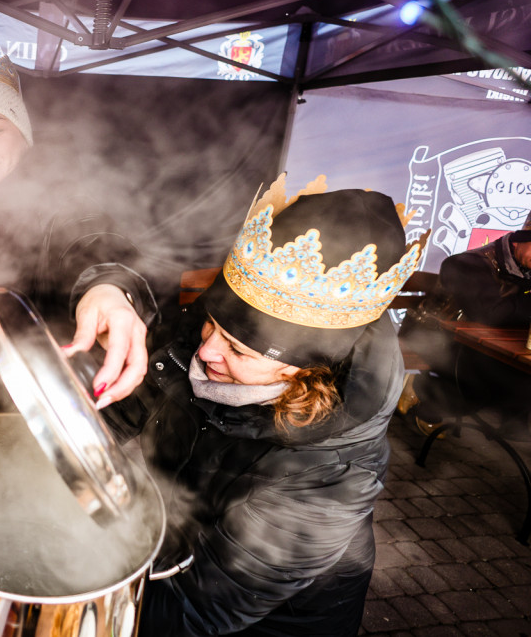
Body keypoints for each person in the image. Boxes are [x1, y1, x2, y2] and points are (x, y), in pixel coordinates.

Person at [104, 175, 425, 636]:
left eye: (239, 351)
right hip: (178, 553)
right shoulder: (214, 335)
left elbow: (201, 611)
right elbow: (119, 410)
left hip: (265, 624)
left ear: (305, 371)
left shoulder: (330, 476)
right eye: (210, 326)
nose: (207, 351)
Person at [0, 46, 157, 406]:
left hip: (26, 412)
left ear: (23, 136)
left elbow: (88, 239)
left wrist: (107, 288)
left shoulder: (56, 199)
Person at [413, 229, 531, 437]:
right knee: (501, 379)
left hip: (485, 347)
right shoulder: (467, 264)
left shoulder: (524, 268)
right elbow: (490, 315)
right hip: (443, 343)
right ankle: (424, 392)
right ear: (517, 243)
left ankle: (513, 429)